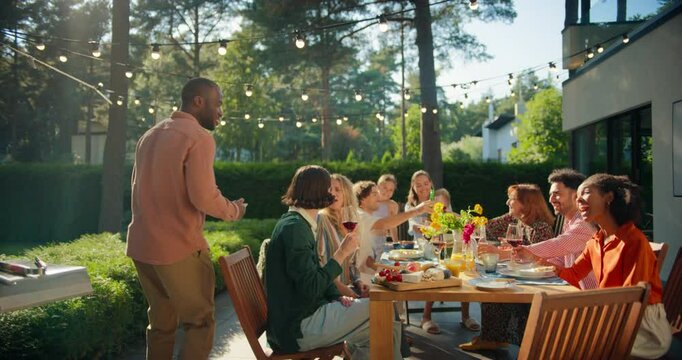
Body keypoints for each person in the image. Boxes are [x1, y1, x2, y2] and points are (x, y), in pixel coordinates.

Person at [126, 77, 247, 360]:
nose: (221, 111)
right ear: (198, 101)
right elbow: (203, 197)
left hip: (142, 248)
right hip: (178, 248)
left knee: (161, 325)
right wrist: (234, 210)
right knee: (199, 322)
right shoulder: (199, 137)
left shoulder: (149, 135)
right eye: (218, 104)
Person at [265, 165, 402, 359]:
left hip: (302, 317)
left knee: (378, 328)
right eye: (330, 188)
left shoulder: (297, 223)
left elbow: (312, 275)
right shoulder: (295, 229)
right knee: (383, 308)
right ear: (317, 191)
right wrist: (341, 254)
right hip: (298, 328)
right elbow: (311, 286)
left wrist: (336, 296)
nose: (334, 193)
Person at [461, 169, 597, 351]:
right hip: (567, 288)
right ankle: (507, 340)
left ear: (577, 195)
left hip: (586, 297)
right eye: (550, 194)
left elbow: (560, 244)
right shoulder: (569, 220)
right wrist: (534, 260)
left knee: (509, 294)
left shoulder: (584, 224)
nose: (551, 199)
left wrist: (522, 253)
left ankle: (529, 346)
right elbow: (559, 256)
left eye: (557, 194)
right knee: (500, 288)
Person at [558, 174, 672, 358]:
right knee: (557, 332)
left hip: (641, 327)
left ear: (609, 197)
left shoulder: (634, 241)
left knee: (563, 338)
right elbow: (572, 274)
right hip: (613, 312)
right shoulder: (596, 241)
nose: (577, 200)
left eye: (585, 192)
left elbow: (632, 294)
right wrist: (542, 267)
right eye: (576, 196)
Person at [353, 180, 434, 284]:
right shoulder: (360, 215)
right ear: (363, 198)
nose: (379, 197)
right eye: (374, 194)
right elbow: (386, 223)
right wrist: (417, 210)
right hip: (364, 280)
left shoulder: (366, 216)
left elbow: (368, 257)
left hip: (370, 274)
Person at [433, 188, 481, 332]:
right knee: (433, 275)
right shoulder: (432, 219)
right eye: (438, 207)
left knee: (464, 277)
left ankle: (465, 316)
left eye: (445, 207)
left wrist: (462, 221)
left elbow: (471, 226)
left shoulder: (454, 218)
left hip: (454, 254)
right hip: (438, 255)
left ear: (448, 204)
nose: (442, 210)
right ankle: (426, 316)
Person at [317, 173, 369, 298]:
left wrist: (358, 282)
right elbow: (320, 267)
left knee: (386, 301)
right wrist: (350, 294)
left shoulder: (352, 221)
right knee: (377, 307)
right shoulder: (321, 220)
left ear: (347, 193)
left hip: (349, 289)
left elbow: (351, 263)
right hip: (332, 294)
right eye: (329, 190)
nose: (332, 193)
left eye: (337, 189)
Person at [405, 170, 440, 334]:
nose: (423, 187)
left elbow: (448, 222)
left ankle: (465, 315)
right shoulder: (411, 205)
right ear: (413, 187)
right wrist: (429, 227)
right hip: (421, 248)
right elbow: (413, 227)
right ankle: (426, 317)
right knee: (433, 269)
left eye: (426, 183)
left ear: (431, 183)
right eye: (418, 185)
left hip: (440, 244)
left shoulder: (439, 201)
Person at [485, 183, 554, 245]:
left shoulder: (541, 229)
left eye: (512, 199)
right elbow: (487, 227)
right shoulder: (516, 218)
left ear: (526, 203)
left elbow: (538, 257)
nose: (507, 202)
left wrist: (509, 251)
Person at [376, 174, 400, 242]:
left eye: (391, 190)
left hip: (382, 240)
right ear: (377, 187)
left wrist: (396, 243)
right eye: (385, 188)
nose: (387, 191)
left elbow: (393, 226)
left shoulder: (393, 205)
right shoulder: (370, 202)